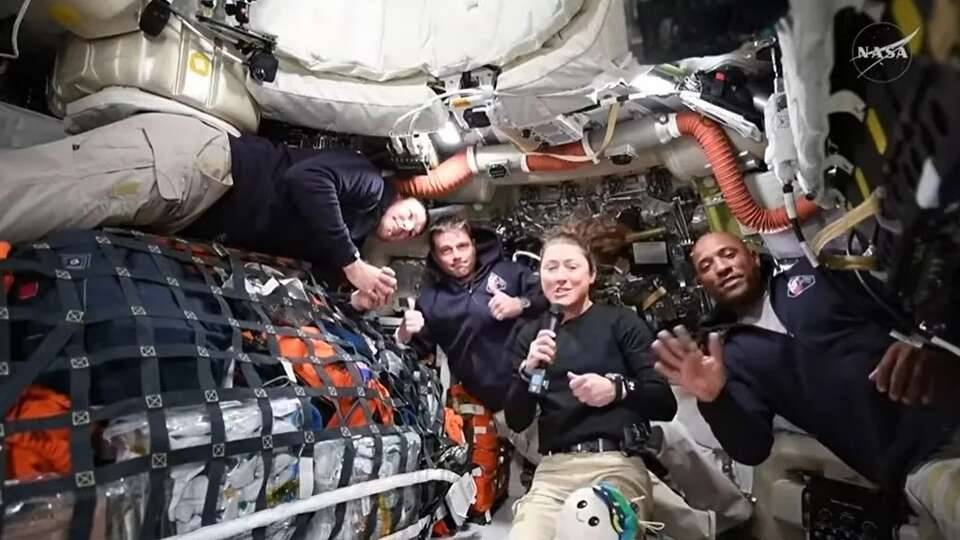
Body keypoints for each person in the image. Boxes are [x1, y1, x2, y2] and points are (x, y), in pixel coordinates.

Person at [653, 231, 960, 540]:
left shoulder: (813, 276)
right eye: (706, 266)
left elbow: (908, 303)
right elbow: (752, 448)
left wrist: (931, 347)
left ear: (753, 256)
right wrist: (715, 399)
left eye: (728, 254)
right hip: (917, 459)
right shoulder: (728, 355)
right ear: (702, 283)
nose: (721, 268)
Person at [0, 112, 427, 308]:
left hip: (192, 209)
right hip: (196, 169)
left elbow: (312, 276)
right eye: (411, 214)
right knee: (36, 195)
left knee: (46, 215)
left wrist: (354, 297)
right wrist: (352, 264)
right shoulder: (370, 184)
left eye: (413, 232)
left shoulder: (349, 235)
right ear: (401, 195)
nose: (407, 226)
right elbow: (308, 181)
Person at [503, 222, 677, 540]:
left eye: (571, 266)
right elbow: (517, 419)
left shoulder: (621, 323)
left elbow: (664, 402)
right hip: (553, 472)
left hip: (616, 465)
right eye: (551, 268)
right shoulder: (531, 336)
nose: (561, 276)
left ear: (592, 274)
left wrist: (617, 390)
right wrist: (529, 372)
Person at [395, 216, 547, 514]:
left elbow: (550, 297)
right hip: (504, 405)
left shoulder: (508, 272)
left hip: (546, 383)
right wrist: (404, 333)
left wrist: (520, 304)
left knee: (580, 455)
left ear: (474, 244)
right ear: (435, 256)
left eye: (462, 246)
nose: (456, 256)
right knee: (550, 459)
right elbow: (417, 351)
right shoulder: (431, 299)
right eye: (446, 250)